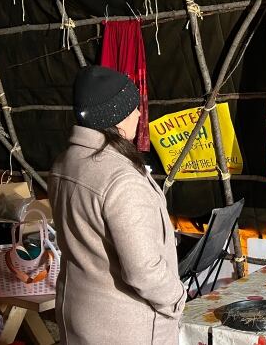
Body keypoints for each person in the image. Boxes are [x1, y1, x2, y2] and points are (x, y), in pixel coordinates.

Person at [49, 65, 186, 344]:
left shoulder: (66, 163)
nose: (138, 114)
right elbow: (143, 270)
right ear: (115, 116)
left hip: (79, 313)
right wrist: (177, 298)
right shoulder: (121, 180)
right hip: (124, 326)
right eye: (132, 108)